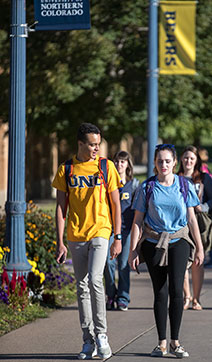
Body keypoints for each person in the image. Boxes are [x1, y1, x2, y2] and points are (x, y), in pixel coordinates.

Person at [52, 123, 122, 360]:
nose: (96, 148)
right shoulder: (67, 169)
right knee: (81, 286)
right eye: (92, 144)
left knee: (94, 280)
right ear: (80, 144)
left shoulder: (106, 166)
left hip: (101, 231)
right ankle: (87, 340)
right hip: (75, 235)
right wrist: (60, 241)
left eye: (98, 144)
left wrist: (118, 237)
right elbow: (61, 208)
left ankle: (102, 336)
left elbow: (116, 205)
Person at [128, 144, 204, 358]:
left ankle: (175, 342)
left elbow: (191, 218)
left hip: (179, 240)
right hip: (154, 242)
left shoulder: (184, 185)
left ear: (174, 163)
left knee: (177, 292)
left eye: (167, 161)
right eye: (160, 161)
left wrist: (199, 247)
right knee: (160, 291)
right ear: (155, 163)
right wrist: (133, 251)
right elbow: (137, 221)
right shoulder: (147, 187)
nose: (163, 165)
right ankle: (161, 342)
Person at [178, 146, 212, 311]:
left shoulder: (203, 178)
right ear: (181, 160)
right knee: (180, 263)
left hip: (198, 224)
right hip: (179, 225)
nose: (188, 161)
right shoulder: (175, 178)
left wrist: (203, 207)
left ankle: (196, 298)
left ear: (197, 161)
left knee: (197, 262)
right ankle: (186, 297)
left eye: (192, 159)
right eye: (186, 158)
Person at [104, 150, 139, 311]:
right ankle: (111, 295)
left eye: (123, 162)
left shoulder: (134, 185)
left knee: (124, 264)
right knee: (108, 262)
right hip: (109, 229)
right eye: (117, 161)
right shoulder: (107, 184)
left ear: (128, 164)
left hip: (127, 231)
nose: (119, 164)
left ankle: (123, 297)